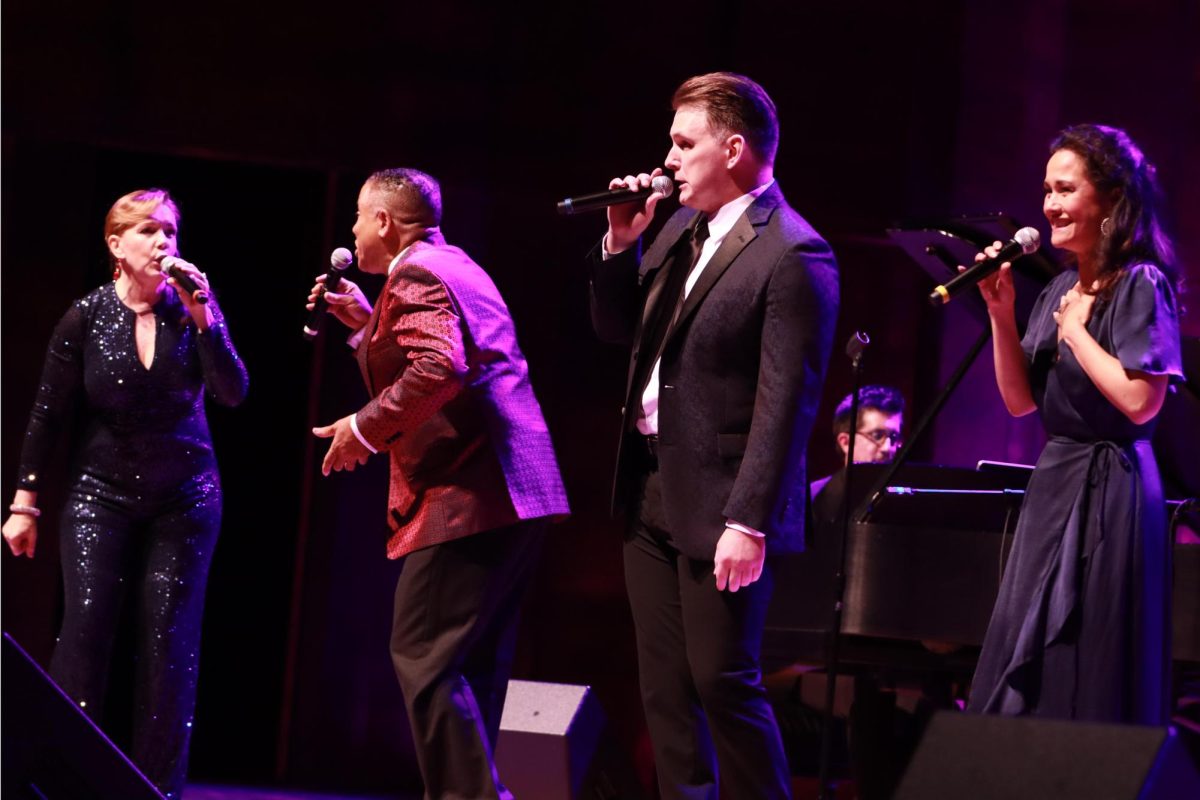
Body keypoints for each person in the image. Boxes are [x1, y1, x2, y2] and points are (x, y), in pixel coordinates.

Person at [587, 73, 839, 798]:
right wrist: (619, 243)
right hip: (651, 487)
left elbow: (787, 401)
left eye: (683, 143)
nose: (667, 159)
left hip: (725, 500)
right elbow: (617, 330)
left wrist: (748, 520)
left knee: (721, 681)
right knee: (664, 689)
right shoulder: (674, 230)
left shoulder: (794, 252)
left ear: (732, 149)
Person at [309, 168, 569, 800]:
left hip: (470, 492)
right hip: (516, 490)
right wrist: (367, 325)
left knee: (422, 654)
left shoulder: (416, 272)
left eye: (357, 217)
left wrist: (364, 430)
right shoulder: (456, 264)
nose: (351, 230)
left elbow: (440, 365)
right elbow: (448, 350)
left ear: (383, 223)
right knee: (468, 666)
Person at [2, 188, 248, 798]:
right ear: (116, 244)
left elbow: (233, 391)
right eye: (148, 231)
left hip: (185, 499)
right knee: (84, 632)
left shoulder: (192, 315)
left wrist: (206, 316)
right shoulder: (84, 317)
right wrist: (24, 504)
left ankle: (156, 790)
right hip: (99, 493)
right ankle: (59, 782)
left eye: (170, 231)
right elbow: (47, 416)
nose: (164, 242)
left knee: (169, 644)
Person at [967, 124, 1182, 724]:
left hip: (1114, 484)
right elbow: (1018, 402)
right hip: (1055, 478)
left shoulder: (1143, 283)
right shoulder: (1060, 286)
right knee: (1026, 638)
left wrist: (1077, 333)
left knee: (1090, 647)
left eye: (1065, 190)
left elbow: (1142, 402)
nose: (1049, 205)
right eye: (1046, 190)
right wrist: (1002, 314)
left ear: (1110, 201)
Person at [809, 384, 905, 508]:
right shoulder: (813, 497)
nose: (888, 448)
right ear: (846, 442)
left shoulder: (905, 498)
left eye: (893, 437)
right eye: (877, 435)